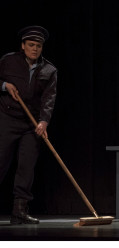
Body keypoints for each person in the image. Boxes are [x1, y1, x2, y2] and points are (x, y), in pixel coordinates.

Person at [0, 26, 57, 224]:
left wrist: (43, 121)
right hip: (7, 118)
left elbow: (49, 99)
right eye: (31, 45)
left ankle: (19, 212)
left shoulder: (49, 70)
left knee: (27, 167)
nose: (34, 49)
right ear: (23, 46)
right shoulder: (8, 61)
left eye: (38, 46)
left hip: (30, 123)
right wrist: (4, 86)